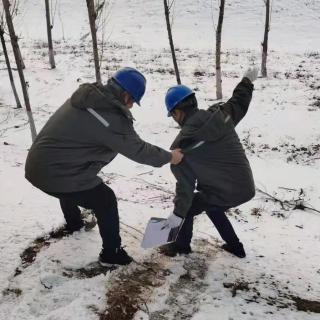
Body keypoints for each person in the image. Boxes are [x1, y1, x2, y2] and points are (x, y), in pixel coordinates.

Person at [25, 67, 183, 266]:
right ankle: (112, 254)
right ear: (125, 95)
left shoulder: (89, 99)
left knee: (75, 178)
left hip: (39, 166)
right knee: (105, 199)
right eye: (133, 101)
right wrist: (171, 157)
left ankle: (74, 223)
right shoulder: (108, 117)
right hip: (54, 173)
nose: (132, 106)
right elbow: (138, 150)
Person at [160, 67, 258, 258]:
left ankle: (180, 247)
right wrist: (247, 80)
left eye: (172, 114)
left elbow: (185, 188)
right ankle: (235, 246)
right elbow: (240, 101)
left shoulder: (182, 146)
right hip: (246, 187)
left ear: (178, 113)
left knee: (190, 206)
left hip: (224, 191)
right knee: (211, 203)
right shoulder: (223, 115)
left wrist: (178, 215)